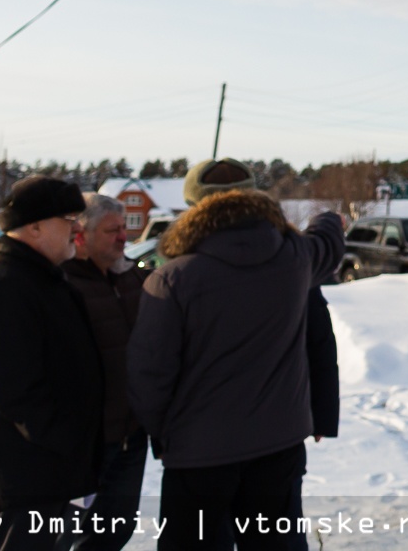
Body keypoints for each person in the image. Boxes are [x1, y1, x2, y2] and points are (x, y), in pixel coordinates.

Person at [128, 159, 344, 551]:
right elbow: (329, 242)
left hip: (198, 455)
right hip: (279, 446)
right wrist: (329, 217)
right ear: (253, 196)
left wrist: (166, 434)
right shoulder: (295, 258)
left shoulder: (172, 278)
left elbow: (150, 374)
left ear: (193, 207)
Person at [0, 176, 105, 551]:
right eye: (68, 218)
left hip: (53, 472)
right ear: (35, 226)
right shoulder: (7, 290)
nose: (77, 227)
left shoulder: (41, 281)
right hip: (29, 476)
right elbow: (14, 391)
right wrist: (68, 441)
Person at [61, 194, 147, 551]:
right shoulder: (62, 285)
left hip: (131, 434)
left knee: (116, 531)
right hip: (84, 442)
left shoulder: (135, 281)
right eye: (112, 230)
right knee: (65, 535)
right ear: (81, 234)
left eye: (124, 228)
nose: (123, 237)